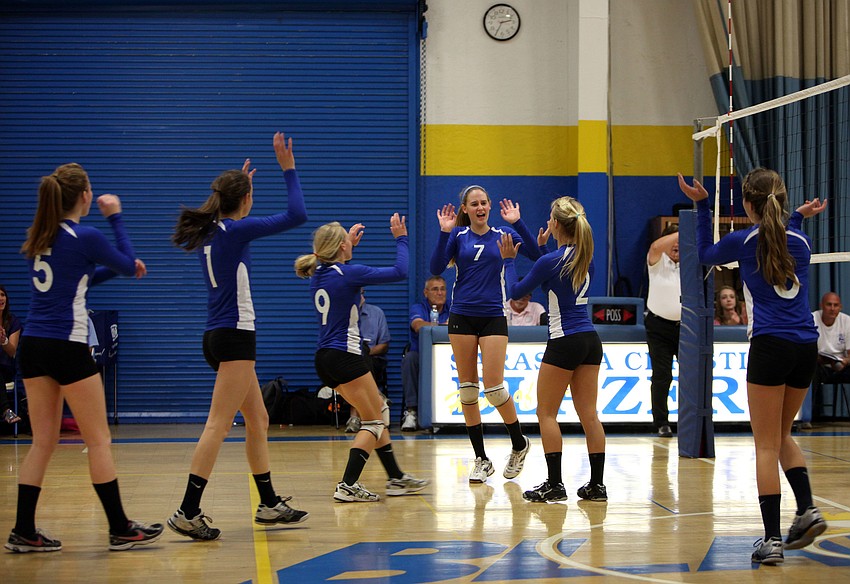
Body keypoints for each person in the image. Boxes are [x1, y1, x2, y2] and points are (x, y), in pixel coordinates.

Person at [6, 163, 162, 553]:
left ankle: (23, 530)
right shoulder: (87, 234)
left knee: (42, 441)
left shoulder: (40, 236)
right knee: (99, 439)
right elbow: (126, 261)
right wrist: (117, 217)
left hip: (34, 345)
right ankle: (120, 528)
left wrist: (117, 270)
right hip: (66, 345)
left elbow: (81, 277)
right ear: (84, 196)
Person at [679, 168, 828, 565]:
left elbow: (704, 256)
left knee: (765, 443)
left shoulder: (743, 241)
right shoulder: (803, 241)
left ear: (748, 204)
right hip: (806, 347)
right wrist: (796, 218)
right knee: (780, 435)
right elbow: (783, 237)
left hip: (770, 345)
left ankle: (772, 540)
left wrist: (702, 204)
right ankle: (808, 509)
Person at [168, 132, 309, 541]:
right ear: (244, 201)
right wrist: (288, 169)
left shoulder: (214, 231)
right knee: (218, 424)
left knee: (258, 419)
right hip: (234, 336)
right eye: (248, 197)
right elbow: (297, 215)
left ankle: (267, 504)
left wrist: (241, 189)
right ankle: (187, 510)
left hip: (217, 334)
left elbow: (231, 210)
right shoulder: (234, 232)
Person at [295, 215, 429, 502]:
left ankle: (395, 477)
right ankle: (348, 484)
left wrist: (347, 247)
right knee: (374, 420)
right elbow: (400, 271)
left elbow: (339, 273)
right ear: (341, 246)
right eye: (347, 239)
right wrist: (401, 238)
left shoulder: (318, 274)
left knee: (377, 410)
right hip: (346, 355)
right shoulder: (349, 273)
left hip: (325, 357)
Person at [499, 196, 607, 503]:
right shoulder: (586, 258)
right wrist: (540, 243)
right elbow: (552, 270)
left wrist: (508, 260)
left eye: (550, 218)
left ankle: (555, 484)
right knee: (589, 414)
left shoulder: (552, 261)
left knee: (545, 413)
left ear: (557, 224)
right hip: (589, 340)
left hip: (563, 341)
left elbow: (518, 291)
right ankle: (597, 486)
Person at [429, 185, 540, 483]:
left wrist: (518, 223)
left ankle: (519, 443)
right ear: (465, 208)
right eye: (474, 204)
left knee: (493, 389)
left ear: (490, 206)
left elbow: (535, 252)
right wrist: (443, 232)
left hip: (492, 315)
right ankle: (481, 459)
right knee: (467, 390)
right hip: (462, 315)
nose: (480, 208)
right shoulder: (458, 235)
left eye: (484, 203)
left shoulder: (503, 234)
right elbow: (435, 267)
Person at [400, 276, 451, 431]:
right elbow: (418, 325)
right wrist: (443, 326)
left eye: (442, 289)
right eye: (435, 289)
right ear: (425, 292)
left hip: (448, 357)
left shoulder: (453, 307)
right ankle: (411, 412)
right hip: (422, 356)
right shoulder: (418, 308)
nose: (440, 293)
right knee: (409, 359)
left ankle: (443, 414)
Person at [645, 224, 680, 438]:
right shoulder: (657, 261)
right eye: (672, 241)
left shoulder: (691, 262)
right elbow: (656, 246)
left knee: (691, 377)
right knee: (662, 376)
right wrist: (684, 229)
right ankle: (661, 422)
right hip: (658, 327)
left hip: (686, 328)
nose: (676, 245)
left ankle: (689, 420)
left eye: (679, 242)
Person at [345, 289, 391, 433]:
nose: (361, 296)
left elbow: (384, 345)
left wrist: (365, 352)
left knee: (363, 353)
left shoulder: (376, 313)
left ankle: (355, 416)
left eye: (362, 293)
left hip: (373, 359)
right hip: (347, 361)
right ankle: (376, 397)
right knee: (357, 357)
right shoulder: (341, 314)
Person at [0, 285, 23, 425]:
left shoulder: (13, 322)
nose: (0, 298)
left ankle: (6, 410)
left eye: (2, 295)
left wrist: (4, 340)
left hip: (5, 367)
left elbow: (12, 351)